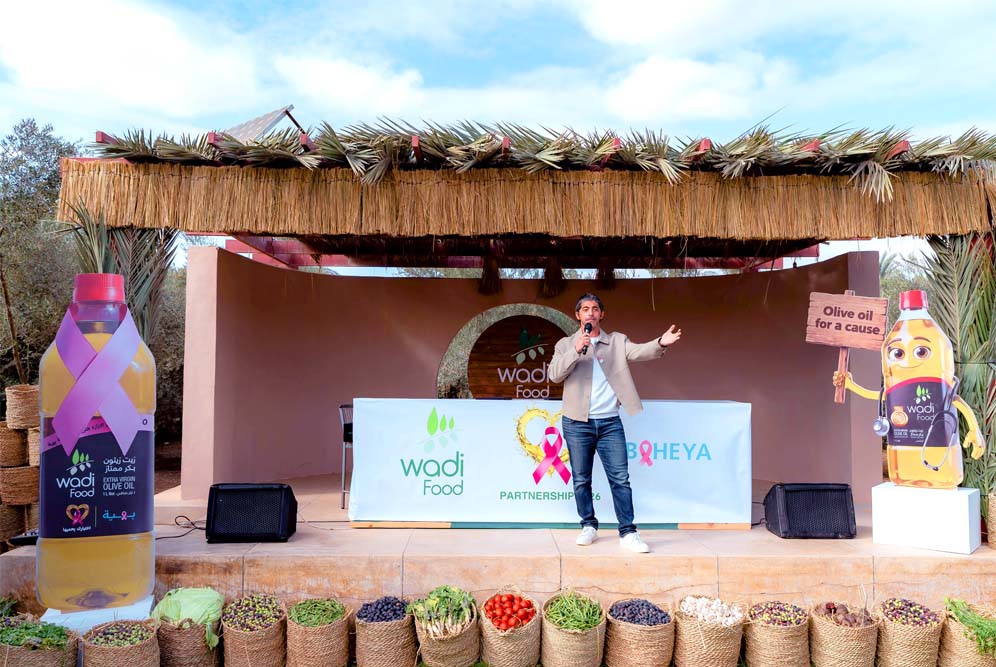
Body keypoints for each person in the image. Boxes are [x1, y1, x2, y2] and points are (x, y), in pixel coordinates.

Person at [549, 293, 681, 553]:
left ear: (602, 314)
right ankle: (588, 525)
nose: (590, 313)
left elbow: (639, 351)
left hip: (609, 422)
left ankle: (628, 532)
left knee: (620, 479)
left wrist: (660, 343)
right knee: (581, 479)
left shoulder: (617, 341)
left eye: (595, 308)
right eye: (585, 309)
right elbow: (554, 375)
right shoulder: (565, 344)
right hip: (577, 423)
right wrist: (576, 350)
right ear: (577, 315)